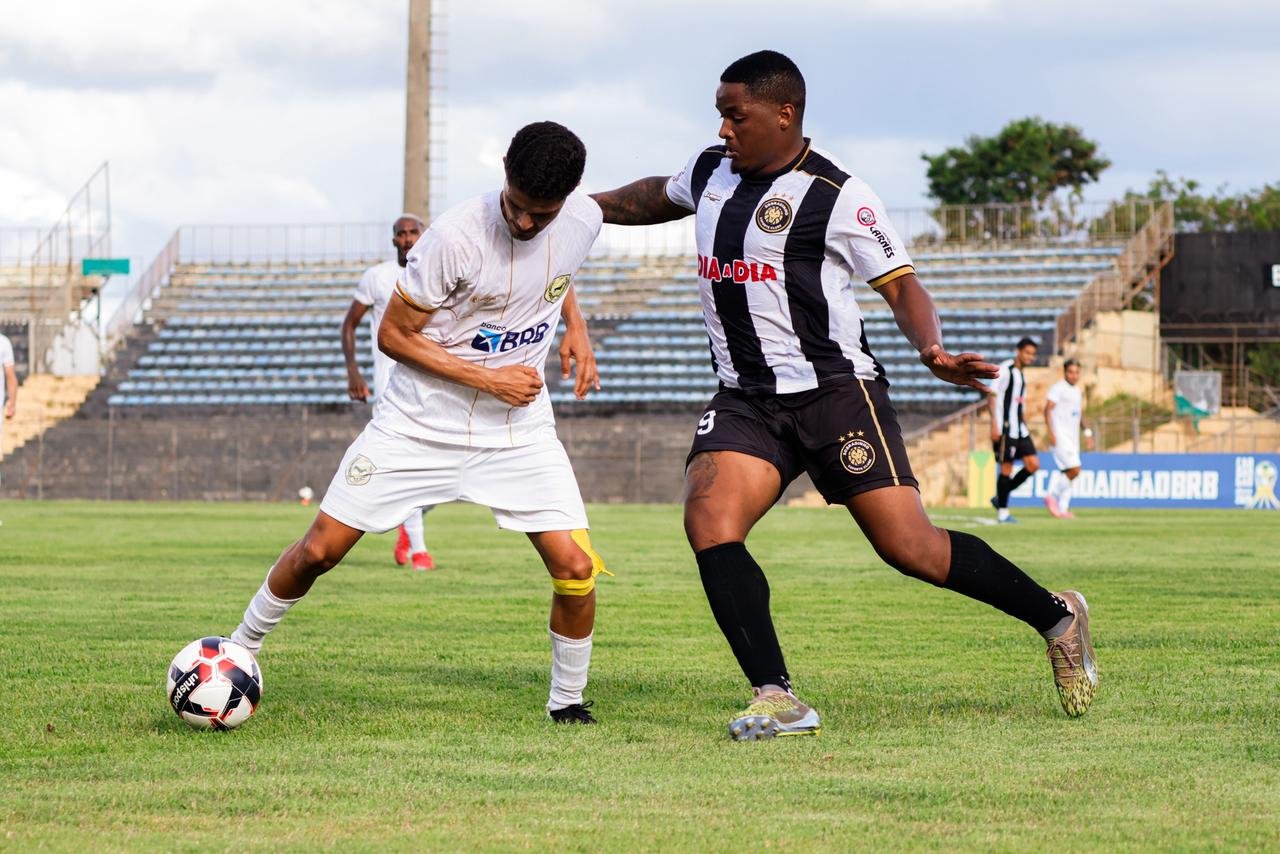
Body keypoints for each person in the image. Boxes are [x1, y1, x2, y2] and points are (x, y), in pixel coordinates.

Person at [590, 50, 1097, 739]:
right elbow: (655, 196)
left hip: (834, 393)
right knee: (709, 522)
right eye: (718, 115)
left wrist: (930, 349)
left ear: (784, 113)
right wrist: (575, 210)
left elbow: (902, 284)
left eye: (734, 116)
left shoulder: (838, 194)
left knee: (911, 549)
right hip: (746, 397)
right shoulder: (710, 171)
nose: (723, 130)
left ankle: (1057, 617)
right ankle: (776, 694)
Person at [230, 121, 608, 724]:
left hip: (518, 434)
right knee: (321, 550)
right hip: (415, 426)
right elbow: (392, 335)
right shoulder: (454, 238)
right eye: (517, 207)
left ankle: (567, 703)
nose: (528, 224)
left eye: (543, 213)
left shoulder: (582, 220)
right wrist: (491, 378)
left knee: (576, 568)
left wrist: (577, 328)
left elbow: (557, 273)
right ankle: (236, 651)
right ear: (503, 169)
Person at [342, 214, 437, 570]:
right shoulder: (378, 277)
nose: (409, 238)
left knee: (434, 474)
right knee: (407, 465)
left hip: (432, 382)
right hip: (391, 387)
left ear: (424, 237)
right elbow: (349, 325)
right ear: (393, 240)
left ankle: (406, 527)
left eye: (415, 232)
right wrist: (354, 372)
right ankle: (419, 550)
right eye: (402, 234)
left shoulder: (437, 273)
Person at [989, 337, 1041, 523]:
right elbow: (992, 395)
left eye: (1033, 354)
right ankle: (1003, 512)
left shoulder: (1021, 374)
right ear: (1018, 351)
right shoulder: (1005, 370)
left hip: (1020, 429)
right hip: (1006, 428)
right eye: (1027, 352)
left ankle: (1000, 496)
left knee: (1033, 464)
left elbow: (1019, 404)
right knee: (1006, 468)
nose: (1030, 357)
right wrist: (994, 423)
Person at [1043, 359, 1094, 519]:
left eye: (1076, 372)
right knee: (1075, 469)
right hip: (1060, 437)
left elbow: (1079, 415)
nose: (1074, 375)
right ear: (1065, 372)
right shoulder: (1058, 389)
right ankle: (1051, 495)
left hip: (1073, 438)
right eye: (1070, 372)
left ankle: (1063, 509)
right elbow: (1047, 410)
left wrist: (1087, 433)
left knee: (1067, 472)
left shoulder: (1077, 391)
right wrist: (1051, 432)